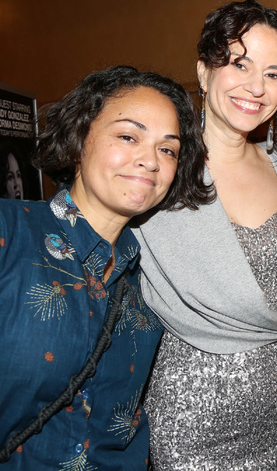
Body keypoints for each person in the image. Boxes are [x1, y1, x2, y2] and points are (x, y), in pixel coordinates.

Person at [132, 0, 277, 470]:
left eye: (274, 73)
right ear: (203, 72)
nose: (256, 87)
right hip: (192, 415)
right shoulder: (164, 166)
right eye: (239, 64)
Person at [0, 65, 209, 470]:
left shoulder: (151, 282)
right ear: (79, 139)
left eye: (168, 149)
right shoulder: (10, 234)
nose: (150, 160)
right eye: (128, 136)